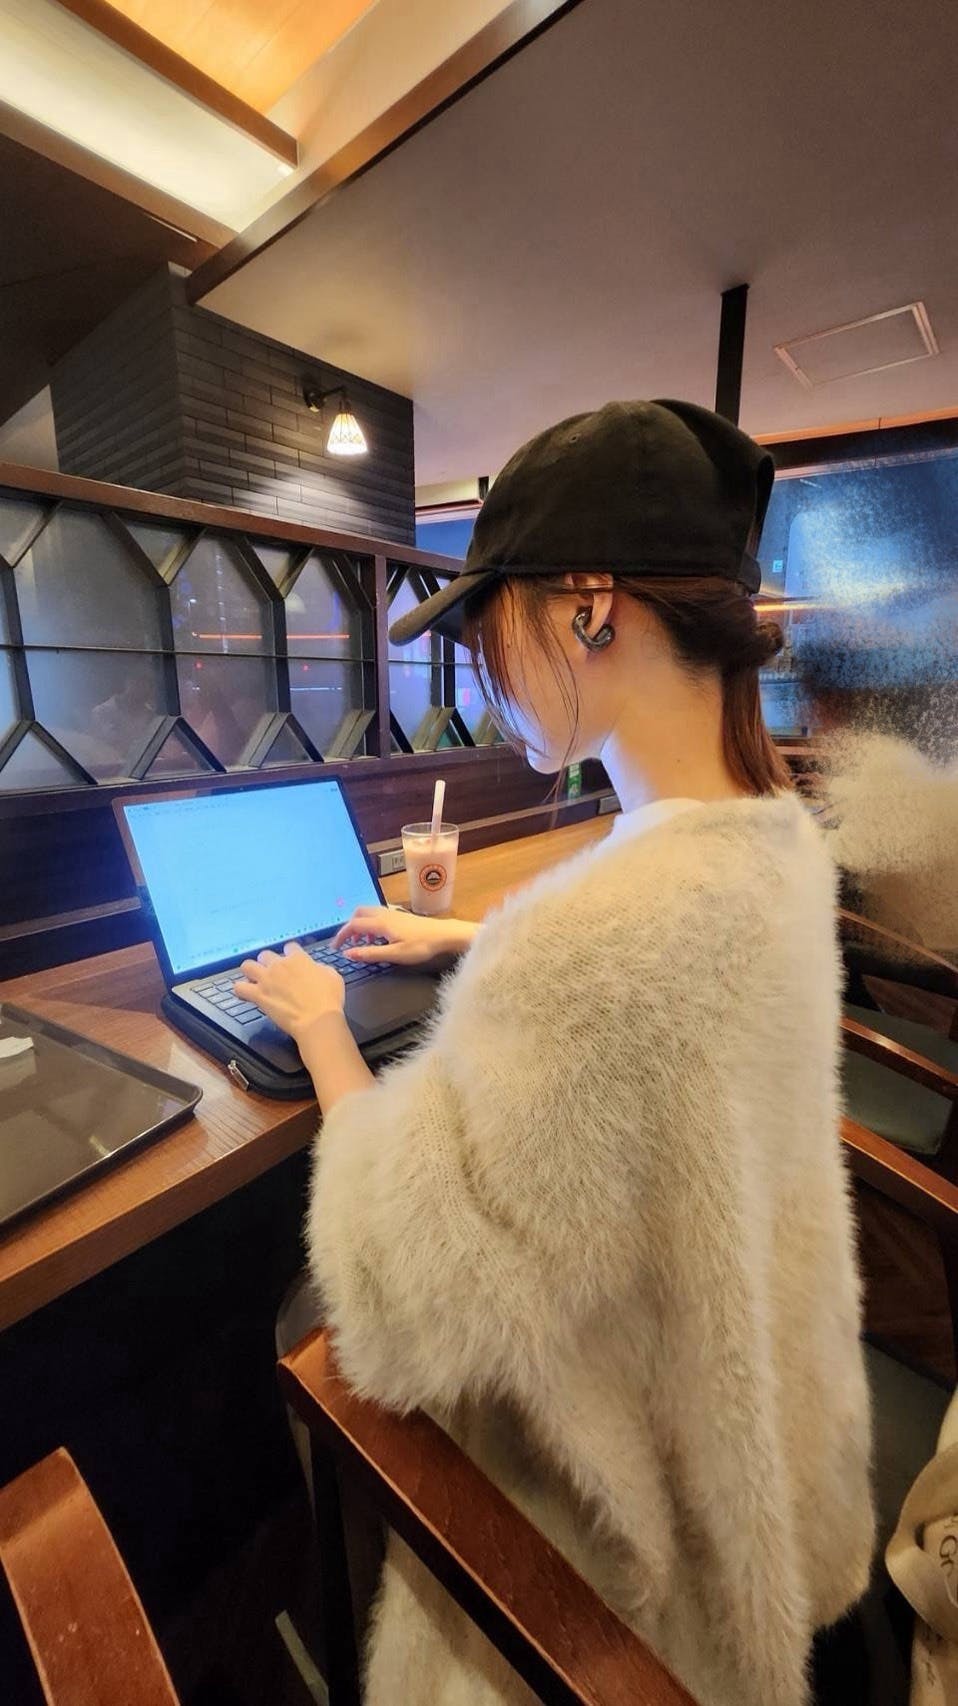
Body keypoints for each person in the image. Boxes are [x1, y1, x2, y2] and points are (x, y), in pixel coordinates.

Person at [239, 400, 874, 1706]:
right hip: (758, 1433)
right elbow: (663, 1001)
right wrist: (470, 935)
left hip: (620, 1567)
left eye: (492, 624)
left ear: (590, 608)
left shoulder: (587, 947)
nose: (484, 664)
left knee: (300, 1321)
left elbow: (407, 1301)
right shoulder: (775, 845)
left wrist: (319, 1028)